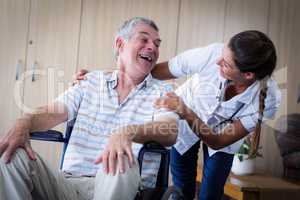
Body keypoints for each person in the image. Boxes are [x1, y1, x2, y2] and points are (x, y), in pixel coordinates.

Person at [75, 30, 281, 200]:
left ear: (248, 75)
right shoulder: (211, 55)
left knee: (211, 194)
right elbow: (152, 71)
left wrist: (183, 110)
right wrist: (98, 76)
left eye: (226, 64)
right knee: (182, 190)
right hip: (185, 119)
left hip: (199, 121)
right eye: (222, 55)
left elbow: (218, 141)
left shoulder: (268, 98)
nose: (218, 62)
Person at [0, 17, 179, 200]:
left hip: (121, 186)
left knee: (120, 158)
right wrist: (24, 122)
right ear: (120, 44)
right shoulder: (90, 81)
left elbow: (170, 130)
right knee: (11, 155)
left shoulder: (163, 91)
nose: (153, 48)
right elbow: (52, 111)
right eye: (144, 39)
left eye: (157, 44)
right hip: (68, 184)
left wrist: (127, 132)